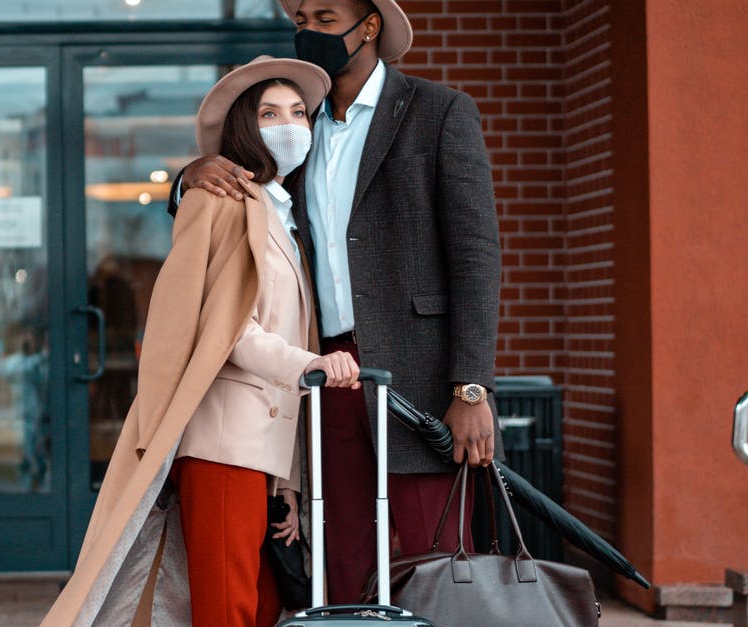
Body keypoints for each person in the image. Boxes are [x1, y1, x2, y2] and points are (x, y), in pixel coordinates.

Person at [168, 0, 504, 604]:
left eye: (325, 19)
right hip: (326, 371)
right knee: (341, 543)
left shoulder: (437, 112)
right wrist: (189, 175)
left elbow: (476, 258)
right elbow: (243, 194)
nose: (308, 32)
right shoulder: (298, 128)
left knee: (435, 552)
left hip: (421, 375)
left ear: (369, 26)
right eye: (300, 22)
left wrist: (471, 386)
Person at [43, 56, 359, 627]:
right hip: (220, 441)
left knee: (262, 605)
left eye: (297, 113)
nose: (289, 125)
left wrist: (288, 478)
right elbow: (227, 331)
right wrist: (313, 363)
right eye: (269, 113)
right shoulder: (217, 198)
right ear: (244, 126)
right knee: (225, 608)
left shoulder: (291, 216)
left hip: (264, 449)